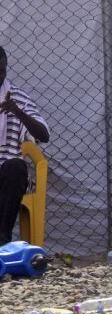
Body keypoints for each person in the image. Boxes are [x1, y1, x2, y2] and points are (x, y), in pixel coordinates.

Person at [0, 46, 50, 245]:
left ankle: (2, 241)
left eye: (2, 70)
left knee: (16, 168)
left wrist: (17, 112)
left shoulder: (17, 98)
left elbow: (43, 135)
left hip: (7, 173)